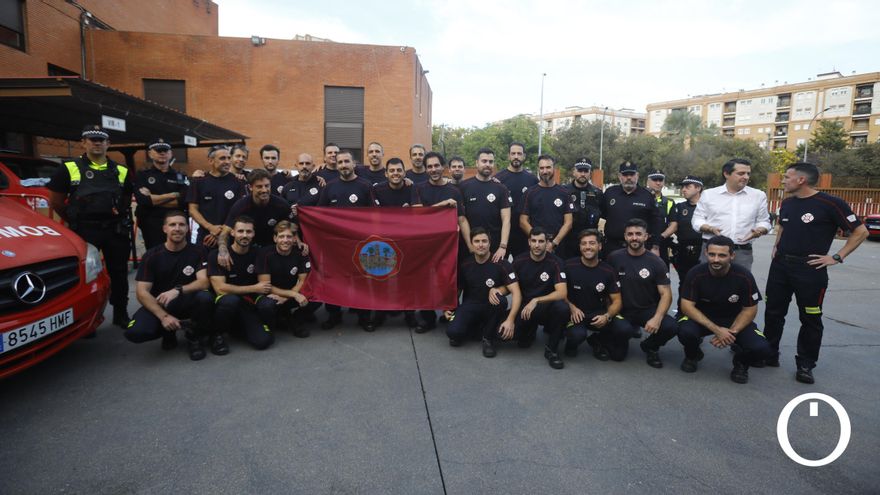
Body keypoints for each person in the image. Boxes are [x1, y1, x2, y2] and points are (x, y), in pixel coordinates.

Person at [763, 162, 868, 384]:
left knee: (810, 317)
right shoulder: (788, 202)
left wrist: (837, 257)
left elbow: (860, 231)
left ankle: (805, 364)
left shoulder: (830, 203)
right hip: (780, 267)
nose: (783, 180)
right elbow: (783, 225)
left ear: (801, 180)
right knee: (773, 312)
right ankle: (769, 353)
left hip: (810, 270)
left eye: (787, 176)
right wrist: (776, 246)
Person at [48, 125, 134, 328]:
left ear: (108, 144)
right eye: (92, 139)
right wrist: (74, 220)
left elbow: (126, 198)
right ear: (83, 142)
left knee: (119, 274)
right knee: (86, 276)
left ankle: (120, 313)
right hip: (85, 230)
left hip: (115, 230)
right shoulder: (68, 168)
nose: (97, 142)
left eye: (101, 139)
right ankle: (87, 320)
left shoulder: (120, 170)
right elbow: (56, 202)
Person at [677, 236, 773, 384]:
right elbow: (686, 306)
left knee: (762, 348)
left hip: (733, 320)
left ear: (732, 256)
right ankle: (693, 355)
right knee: (684, 331)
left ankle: (741, 363)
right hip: (702, 318)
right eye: (712, 254)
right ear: (706, 253)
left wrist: (730, 333)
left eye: (722, 255)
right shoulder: (695, 274)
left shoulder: (744, 276)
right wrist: (717, 330)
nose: (716, 259)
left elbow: (750, 310)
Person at [124, 211, 215, 360]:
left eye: (181, 225)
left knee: (205, 297)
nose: (177, 228)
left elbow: (204, 281)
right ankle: (168, 331)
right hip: (162, 304)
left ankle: (194, 336)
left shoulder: (199, 251)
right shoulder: (151, 255)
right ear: (165, 229)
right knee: (136, 332)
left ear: (187, 229)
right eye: (172, 225)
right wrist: (163, 316)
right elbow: (142, 292)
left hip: (187, 300)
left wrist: (177, 290)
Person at [412, 151, 473, 333]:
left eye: (436, 165)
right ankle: (427, 319)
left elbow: (462, 220)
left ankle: (450, 314)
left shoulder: (454, 191)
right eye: (429, 166)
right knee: (426, 282)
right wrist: (443, 205)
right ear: (425, 169)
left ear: (442, 167)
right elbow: (417, 214)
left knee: (451, 280)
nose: (433, 169)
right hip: (426, 246)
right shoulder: (418, 188)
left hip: (450, 247)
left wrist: (469, 245)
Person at [316, 150, 375, 331]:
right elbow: (319, 213)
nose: (343, 165)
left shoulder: (365, 186)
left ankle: (364, 316)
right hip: (335, 245)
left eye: (346, 162)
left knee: (361, 280)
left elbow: (375, 214)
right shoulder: (330, 187)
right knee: (334, 279)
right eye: (340, 162)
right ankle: (334, 315)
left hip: (360, 243)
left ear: (354, 163)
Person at [607, 219, 677, 368]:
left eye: (638, 234)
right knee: (617, 356)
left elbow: (666, 294)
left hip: (647, 309)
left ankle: (651, 346)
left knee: (670, 326)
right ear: (625, 237)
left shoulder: (656, 262)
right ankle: (613, 337)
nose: (634, 238)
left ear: (646, 237)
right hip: (621, 310)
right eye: (630, 234)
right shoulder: (614, 257)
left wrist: (657, 319)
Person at [444, 228, 521, 358]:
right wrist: (449, 307)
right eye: (477, 241)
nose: (480, 244)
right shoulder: (465, 264)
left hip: (491, 307)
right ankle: (478, 328)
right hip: (471, 304)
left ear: (490, 243)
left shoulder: (502, 264)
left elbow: (517, 293)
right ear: (472, 244)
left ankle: (488, 339)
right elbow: (458, 289)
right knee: (453, 333)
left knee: (501, 301)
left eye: (484, 241)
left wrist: (510, 320)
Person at [207, 215, 274, 351]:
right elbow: (220, 289)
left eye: (248, 232)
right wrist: (254, 287)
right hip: (228, 303)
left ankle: (240, 328)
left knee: (263, 342)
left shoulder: (259, 253)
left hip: (248, 303)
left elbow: (264, 286)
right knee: (230, 300)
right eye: (240, 231)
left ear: (253, 234)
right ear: (232, 233)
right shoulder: (216, 255)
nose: (245, 235)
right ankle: (216, 335)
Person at [692, 158, 771, 271]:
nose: (746, 177)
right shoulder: (709, 194)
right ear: (726, 174)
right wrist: (710, 228)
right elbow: (697, 220)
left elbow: (764, 221)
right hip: (713, 251)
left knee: (740, 286)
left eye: (748, 173)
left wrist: (759, 230)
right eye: (741, 173)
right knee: (708, 285)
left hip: (742, 252)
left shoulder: (758, 195)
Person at [563, 229, 629, 361]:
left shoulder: (608, 270)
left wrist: (607, 316)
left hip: (598, 314)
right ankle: (570, 345)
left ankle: (597, 340)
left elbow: (617, 301)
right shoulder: (568, 266)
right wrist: (571, 307)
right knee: (577, 335)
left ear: (599, 246)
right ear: (580, 246)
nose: (587, 247)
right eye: (584, 243)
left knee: (625, 332)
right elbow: (560, 294)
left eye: (592, 243)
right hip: (575, 314)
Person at [511, 227, 569, 369]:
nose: (537, 245)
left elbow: (562, 293)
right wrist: (496, 290)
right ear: (529, 242)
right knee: (505, 336)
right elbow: (509, 286)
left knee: (562, 308)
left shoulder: (556, 262)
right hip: (526, 310)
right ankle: (528, 331)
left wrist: (536, 300)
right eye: (534, 241)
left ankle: (552, 350)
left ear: (547, 243)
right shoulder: (519, 261)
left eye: (541, 241)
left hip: (546, 307)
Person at [255, 221, 317, 338]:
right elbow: (265, 286)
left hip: (291, 292)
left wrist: (287, 296)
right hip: (271, 294)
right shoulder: (265, 254)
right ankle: (274, 323)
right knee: (266, 306)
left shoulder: (301, 253)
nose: (285, 240)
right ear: (275, 238)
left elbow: (302, 281)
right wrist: (293, 295)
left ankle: (295, 320)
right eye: (281, 236)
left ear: (294, 239)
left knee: (318, 295)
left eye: (289, 236)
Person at [219, 169, 295, 251]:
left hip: (272, 250)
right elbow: (224, 233)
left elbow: (293, 228)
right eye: (259, 186)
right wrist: (223, 251)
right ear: (250, 187)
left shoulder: (282, 205)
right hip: (248, 250)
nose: (264, 190)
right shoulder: (240, 207)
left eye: (267, 186)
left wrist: (298, 241)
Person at [134, 138, 189, 250]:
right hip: (151, 224)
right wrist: (173, 195)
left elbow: (183, 202)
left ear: (171, 153)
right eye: (158, 150)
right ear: (150, 154)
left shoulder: (180, 176)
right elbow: (143, 201)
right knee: (155, 257)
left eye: (165, 150)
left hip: (176, 224)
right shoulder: (142, 175)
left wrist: (153, 199)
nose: (162, 153)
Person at [458, 147, 511, 262]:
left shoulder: (501, 189)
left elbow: (506, 219)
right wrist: (470, 246)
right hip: (471, 246)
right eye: (484, 161)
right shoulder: (464, 187)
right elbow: (461, 219)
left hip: (495, 248)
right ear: (476, 163)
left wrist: (502, 246)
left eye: (490, 162)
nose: (487, 164)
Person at [187, 145, 246, 247]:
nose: (227, 161)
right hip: (206, 238)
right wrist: (210, 227)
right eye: (222, 158)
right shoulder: (198, 181)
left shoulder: (239, 182)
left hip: (230, 237)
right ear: (211, 161)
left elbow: (240, 210)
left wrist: (222, 231)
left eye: (229, 158)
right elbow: (192, 210)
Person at [601, 162, 661, 256]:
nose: (629, 178)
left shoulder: (647, 196)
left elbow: (656, 222)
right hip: (612, 247)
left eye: (632, 174)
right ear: (619, 176)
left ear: (637, 175)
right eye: (625, 175)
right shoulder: (610, 193)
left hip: (639, 248)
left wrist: (655, 247)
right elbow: (603, 215)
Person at [520, 154, 573, 256]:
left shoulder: (564, 192)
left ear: (554, 168)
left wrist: (553, 243)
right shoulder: (530, 193)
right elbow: (523, 221)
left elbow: (568, 223)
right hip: (536, 248)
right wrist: (538, 241)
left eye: (548, 167)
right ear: (538, 170)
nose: (545, 171)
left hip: (558, 247)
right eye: (542, 168)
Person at [495, 142, 538, 258]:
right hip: (502, 234)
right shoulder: (498, 178)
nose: (516, 156)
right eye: (513, 153)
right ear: (509, 156)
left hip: (524, 235)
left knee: (523, 270)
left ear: (524, 156)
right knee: (500, 268)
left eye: (519, 153)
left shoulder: (532, 180)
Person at [562, 158, 604, 260]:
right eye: (580, 171)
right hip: (568, 242)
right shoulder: (563, 191)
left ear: (590, 173)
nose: (583, 174)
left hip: (589, 243)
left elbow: (604, 216)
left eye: (586, 171)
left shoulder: (597, 193)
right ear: (574, 172)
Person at [667, 175, 704, 286]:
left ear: (698, 188)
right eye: (682, 187)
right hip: (683, 252)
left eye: (687, 187)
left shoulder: (708, 206)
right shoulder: (679, 207)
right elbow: (673, 227)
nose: (683, 189)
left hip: (703, 251)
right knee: (685, 283)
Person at [647, 169, 674, 268]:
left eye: (661, 180)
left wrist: (659, 238)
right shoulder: (640, 198)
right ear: (648, 181)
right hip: (641, 243)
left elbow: (673, 225)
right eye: (655, 180)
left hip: (662, 244)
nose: (658, 183)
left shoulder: (669, 202)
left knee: (662, 276)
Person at [283, 153, 323, 217]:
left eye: (307, 163)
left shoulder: (321, 185)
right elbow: (282, 208)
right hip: (293, 225)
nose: (304, 166)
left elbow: (325, 210)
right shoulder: (287, 186)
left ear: (313, 166)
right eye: (301, 163)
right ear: (296, 166)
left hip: (312, 225)